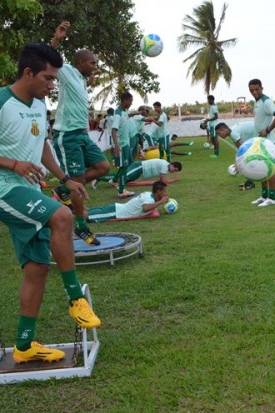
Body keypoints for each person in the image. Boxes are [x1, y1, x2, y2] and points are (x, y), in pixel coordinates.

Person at [0, 42, 101, 364]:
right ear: (28, 72)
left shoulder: (37, 105)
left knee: (37, 269)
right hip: (0, 189)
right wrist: (13, 165)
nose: (52, 86)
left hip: (23, 188)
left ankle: (24, 346)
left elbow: (42, 143)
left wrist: (66, 179)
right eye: (48, 79)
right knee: (62, 218)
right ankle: (76, 298)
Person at [49, 21, 110, 246]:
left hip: (82, 135)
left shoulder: (82, 81)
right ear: (81, 62)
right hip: (68, 136)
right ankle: (81, 228)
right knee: (77, 181)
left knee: (103, 167)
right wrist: (57, 39)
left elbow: (84, 83)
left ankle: (64, 189)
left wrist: (88, 79)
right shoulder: (66, 72)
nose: (96, 65)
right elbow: (51, 57)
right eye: (93, 62)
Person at [248, 78, 275, 207]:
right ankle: (264, 196)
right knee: (261, 169)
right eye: (252, 90)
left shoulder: (266, 101)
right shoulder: (256, 102)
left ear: (262, 88)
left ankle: (272, 198)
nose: (254, 92)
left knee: (269, 170)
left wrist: (268, 130)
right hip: (260, 141)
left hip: (268, 142)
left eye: (257, 89)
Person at [86, 180, 169, 223]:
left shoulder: (149, 194)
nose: (166, 193)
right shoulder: (149, 199)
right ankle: (76, 213)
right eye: (164, 191)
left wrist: (160, 200)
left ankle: (76, 210)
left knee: (89, 211)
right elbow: (145, 208)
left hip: (116, 208)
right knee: (88, 216)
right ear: (158, 191)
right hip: (117, 213)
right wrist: (161, 201)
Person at [215, 121, 257, 191]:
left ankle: (251, 183)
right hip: (256, 137)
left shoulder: (233, 133)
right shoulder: (232, 132)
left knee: (247, 160)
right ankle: (251, 181)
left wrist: (238, 164)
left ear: (223, 129)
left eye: (219, 133)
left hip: (261, 134)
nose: (219, 135)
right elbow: (240, 149)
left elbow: (243, 149)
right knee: (246, 160)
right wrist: (237, 162)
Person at [111, 92, 136, 198]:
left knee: (127, 164)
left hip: (126, 143)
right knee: (123, 166)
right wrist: (116, 146)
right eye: (130, 101)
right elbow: (113, 130)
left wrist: (137, 113)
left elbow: (127, 116)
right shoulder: (117, 114)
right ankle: (121, 191)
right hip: (121, 145)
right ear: (124, 100)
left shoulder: (124, 111)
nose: (131, 103)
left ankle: (114, 180)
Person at [96, 158, 182, 187]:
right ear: (171, 164)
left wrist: (172, 180)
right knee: (120, 178)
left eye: (175, 172)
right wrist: (174, 180)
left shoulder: (165, 167)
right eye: (174, 170)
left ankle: (99, 178)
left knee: (121, 179)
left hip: (139, 173)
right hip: (139, 167)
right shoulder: (164, 165)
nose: (173, 172)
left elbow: (162, 181)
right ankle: (97, 177)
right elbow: (163, 181)